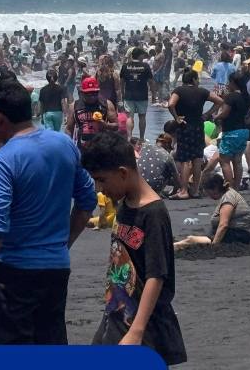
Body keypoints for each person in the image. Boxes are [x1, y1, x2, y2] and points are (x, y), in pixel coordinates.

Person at [0, 80, 97, 345]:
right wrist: (63, 244)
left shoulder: (4, 160)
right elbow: (87, 201)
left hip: (14, 269)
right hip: (56, 267)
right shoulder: (64, 144)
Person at [79, 132, 187, 365]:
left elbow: (156, 276)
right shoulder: (124, 204)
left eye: (102, 180)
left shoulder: (153, 213)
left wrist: (137, 330)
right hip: (117, 311)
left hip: (143, 321)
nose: (100, 188)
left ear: (123, 173)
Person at [167, 69, 223, 199]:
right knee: (197, 159)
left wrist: (176, 117)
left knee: (185, 160)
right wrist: (208, 114)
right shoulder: (202, 91)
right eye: (197, 79)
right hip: (198, 127)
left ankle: (184, 190)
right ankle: (196, 190)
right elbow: (219, 101)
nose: (198, 81)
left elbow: (171, 104)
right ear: (193, 79)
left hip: (184, 127)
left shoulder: (179, 91)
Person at [173, 174, 250, 249]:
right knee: (191, 239)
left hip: (237, 235)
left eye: (208, 192)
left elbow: (223, 225)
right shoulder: (228, 194)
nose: (208, 195)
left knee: (191, 240)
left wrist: (214, 245)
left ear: (215, 189)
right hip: (233, 233)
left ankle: (172, 247)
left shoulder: (228, 198)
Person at [212, 71, 250, 189]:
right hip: (243, 131)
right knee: (237, 160)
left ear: (233, 83)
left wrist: (216, 117)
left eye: (229, 82)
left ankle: (230, 187)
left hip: (231, 132)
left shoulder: (231, 96)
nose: (228, 84)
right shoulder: (246, 96)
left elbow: (225, 113)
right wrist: (248, 121)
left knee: (224, 161)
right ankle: (236, 187)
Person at [66, 76, 118, 146]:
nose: (92, 97)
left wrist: (106, 125)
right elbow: (69, 129)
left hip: (101, 147)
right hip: (82, 146)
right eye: (89, 94)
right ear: (82, 93)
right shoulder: (74, 106)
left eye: (95, 93)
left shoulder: (107, 104)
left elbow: (116, 126)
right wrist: (68, 146)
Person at [120, 47, 153, 141]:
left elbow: (121, 81)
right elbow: (151, 81)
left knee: (130, 116)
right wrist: (154, 94)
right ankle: (142, 138)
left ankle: (129, 137)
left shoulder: (125, 66)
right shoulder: (145, 66)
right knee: (142, 116)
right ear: (139, 55)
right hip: (142, 95)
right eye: (143, 54)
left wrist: (122, 93)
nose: (143, 56)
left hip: (129, 95)